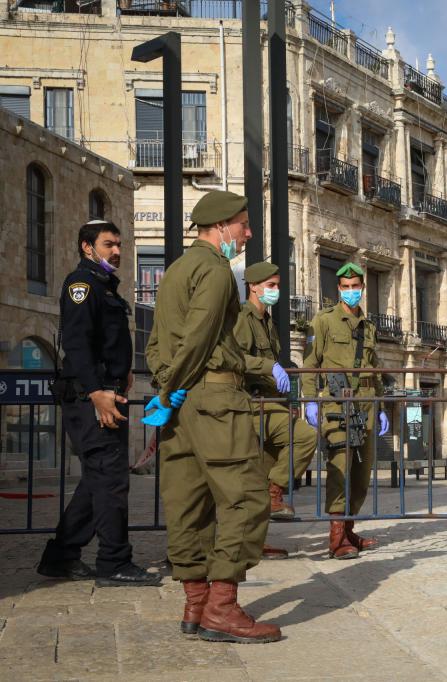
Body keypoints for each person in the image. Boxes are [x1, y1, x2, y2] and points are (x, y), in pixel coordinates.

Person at [144, 190, 280, 644]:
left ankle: (196, 604)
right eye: (243, 224)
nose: (248, 232)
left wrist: (166, 390)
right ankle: (222, 607)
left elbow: (156, 341)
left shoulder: (177, 269)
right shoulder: (217, 271)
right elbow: (201, 338)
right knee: (246, 498)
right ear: (220, 227)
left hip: (180, 406)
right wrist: (170, 387)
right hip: (213, 398)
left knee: (188, 504)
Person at [36, 220, 161, 586]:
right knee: (110, 482)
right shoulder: (82, 285)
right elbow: (76, 343)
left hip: (107, 393)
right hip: (93, 397)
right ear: (86, 247)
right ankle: (114, 561)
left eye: (119, 245)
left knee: (98, 481)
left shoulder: (106, 287)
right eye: (109, 245)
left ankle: (61, 557)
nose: (117, 252)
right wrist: (95, 392)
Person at [233, 261, 316, 558]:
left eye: (278, 285)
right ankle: (249, 541)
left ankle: (272, 497)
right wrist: (268, 366)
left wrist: (288, 403)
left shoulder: (268, 322)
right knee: (252, 477)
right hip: (249, 404)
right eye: (270, 285)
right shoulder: (241, 319)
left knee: (289, 450)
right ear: (253, 286)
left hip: (270, 405)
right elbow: (235, 359)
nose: (276, 290)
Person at [301, 262, 383, 560]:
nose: (351, 292)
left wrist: (381, 405)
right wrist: (310, 400)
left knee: (362, 473)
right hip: (337, 403)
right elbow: (310, 363)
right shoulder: (323, 321)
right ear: (338, 289)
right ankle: (336, 538)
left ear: (362, 288)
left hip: (367, 403)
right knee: (340, 467)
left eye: (356, 287)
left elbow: (375, 369)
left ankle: (349, 530)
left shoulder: (369, 326)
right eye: (345, 287)